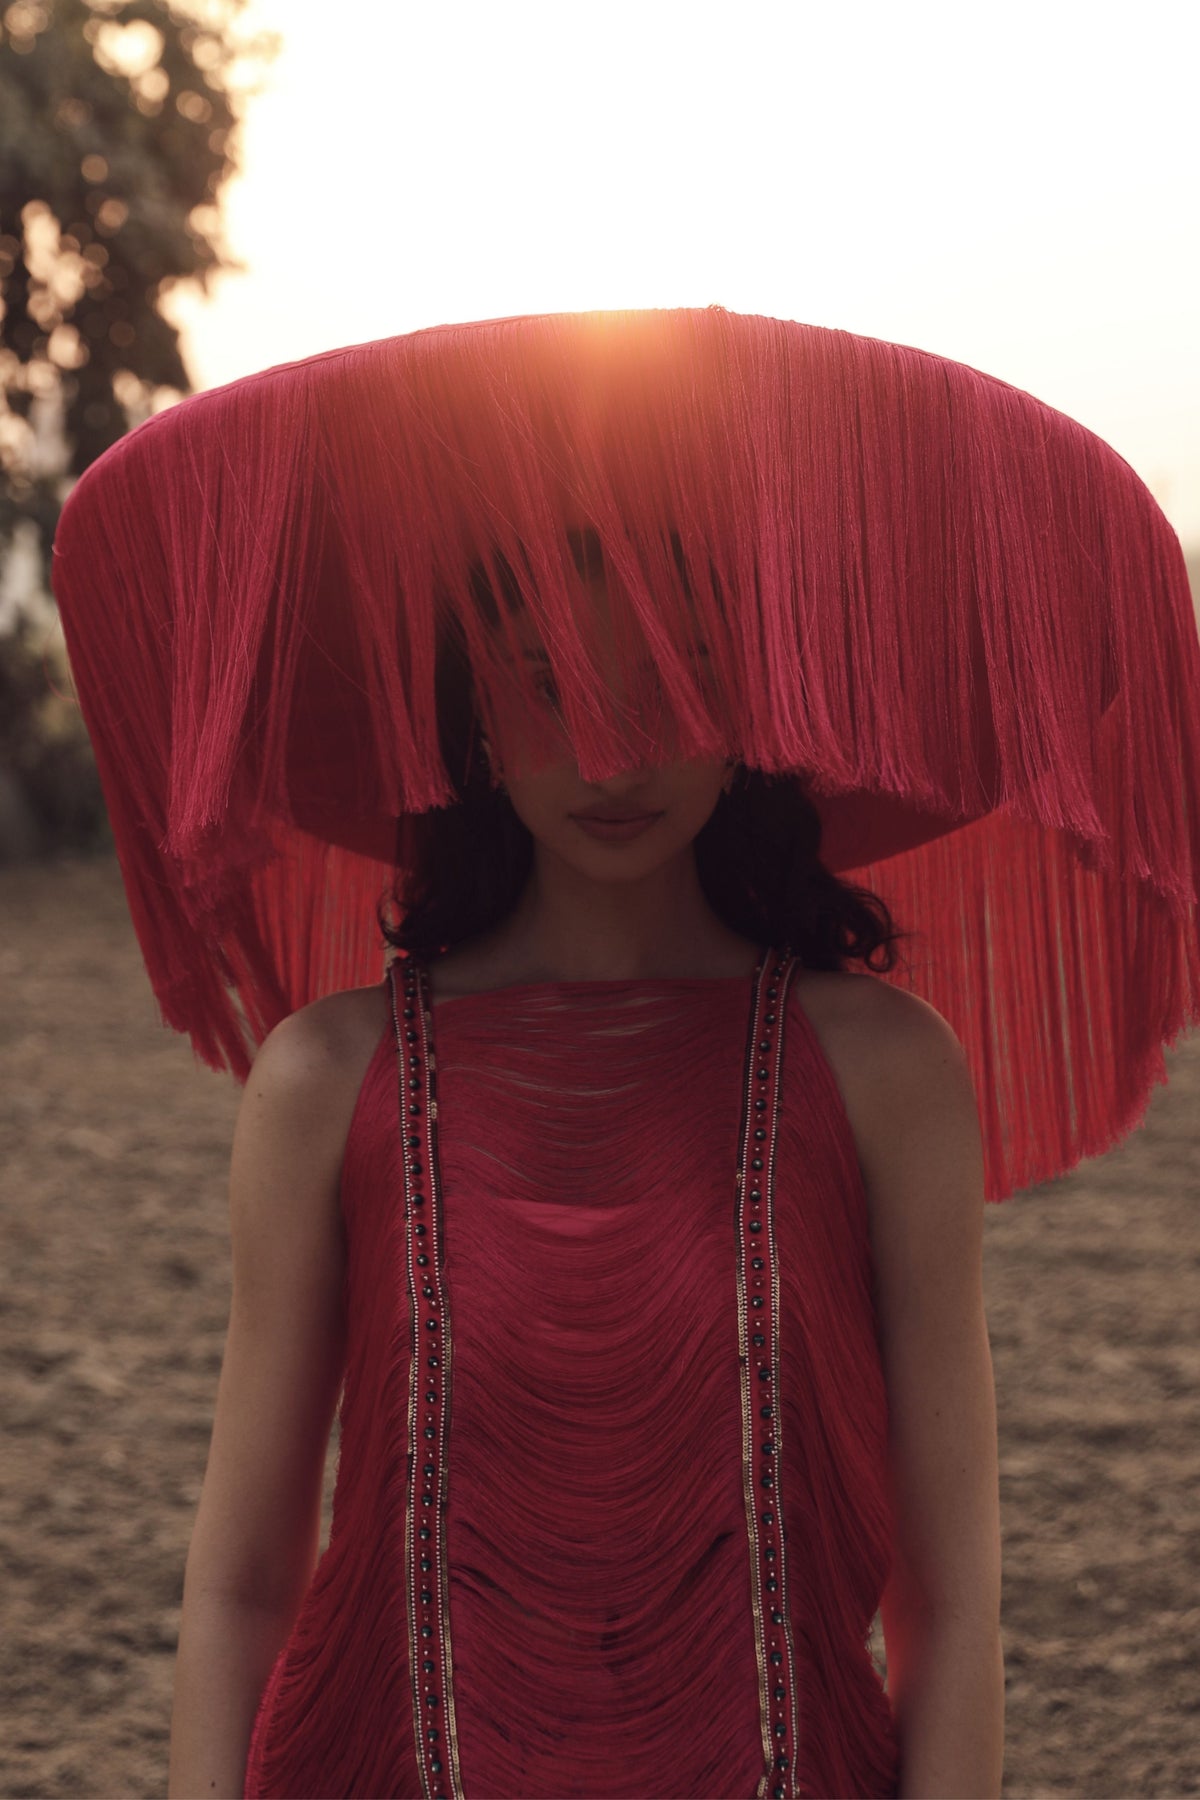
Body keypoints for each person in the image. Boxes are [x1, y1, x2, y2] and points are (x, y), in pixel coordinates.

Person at [165, 526, 1004, 1800]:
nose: (616, 746)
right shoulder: (326, 1079)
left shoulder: (887, 1073)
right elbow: (240, 1591)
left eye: (676, 675)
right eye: (548, 681)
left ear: (747, 705)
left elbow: (953, 1608)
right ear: (474, 714)